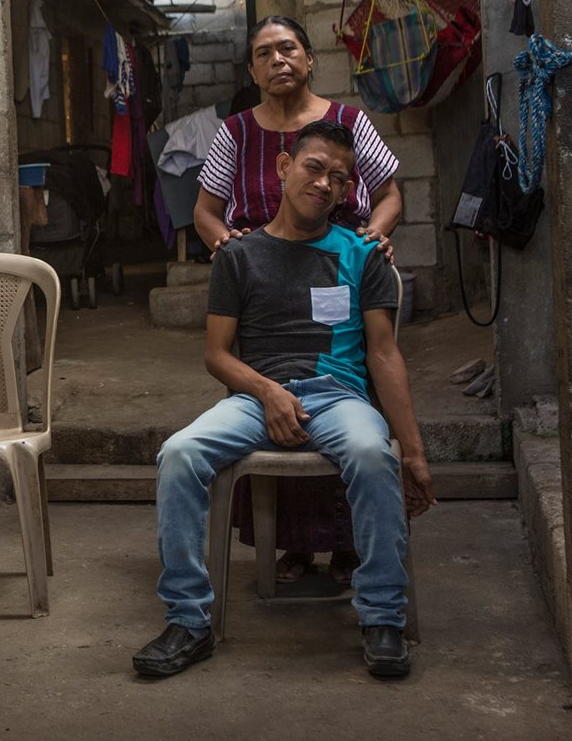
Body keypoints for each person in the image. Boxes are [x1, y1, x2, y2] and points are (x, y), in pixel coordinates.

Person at [133, 121, 435, 679]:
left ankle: (382, 617)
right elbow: (217, 355)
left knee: (374, 455)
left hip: (338, 394)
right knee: (179, 454)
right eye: (313, 167)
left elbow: (384, 354)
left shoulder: (362, 254)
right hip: (256, 395)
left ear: (347, 193)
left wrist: (413, 452)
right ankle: (188, 620)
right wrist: (267, 391)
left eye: (338, 178)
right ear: (283, 167)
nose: (323, 183)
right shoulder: (238, 255)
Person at [194, 15, 404, 586]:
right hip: (262, 290)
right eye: (264, 53)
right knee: (271, 406)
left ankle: (350, 546)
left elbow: (388, 195)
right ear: (252, 70)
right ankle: (292, 545)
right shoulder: (236, 132)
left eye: (288, 49)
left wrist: (373, 235)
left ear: (310, 59)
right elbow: (207, 212)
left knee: (345, 402)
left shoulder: (347, 123)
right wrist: (231, 251)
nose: (277, 60)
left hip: (338, 272)